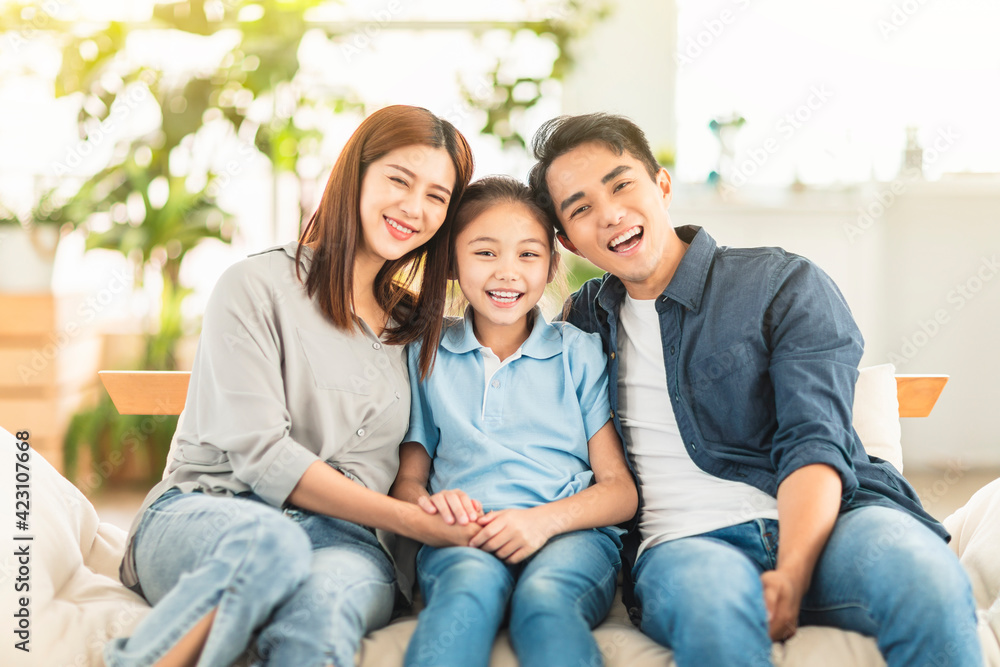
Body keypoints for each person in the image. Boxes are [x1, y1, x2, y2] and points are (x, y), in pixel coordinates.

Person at [526, 113, 982, 667]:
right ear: (567, 240)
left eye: (621, 184)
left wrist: (792, 572)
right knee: (716, 612)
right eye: (580, 209)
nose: (610, 214)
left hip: (838, 521)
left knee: (925, 578)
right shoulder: (583, 322)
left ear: (662, 185)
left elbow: (814, 439)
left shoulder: (779, 283)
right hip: (685, 547)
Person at [105, 105, 477, 667]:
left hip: (348, 545)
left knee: (321, 609)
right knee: (267, 541)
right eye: (398, 180)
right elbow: (262, 456)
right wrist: (407, 521)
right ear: (355, 175)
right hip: (211, 511)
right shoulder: (254, 287)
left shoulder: (420, 333)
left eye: (436, 196)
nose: (413, 207)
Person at [390, 175, 638, 667]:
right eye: (485, 253)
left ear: (550, 266)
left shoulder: (579, 353)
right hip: (465, 538)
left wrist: (539, 523)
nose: (507, 273)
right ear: (453, 264)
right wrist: (434, 508)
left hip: (571, 536)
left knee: (545, 603)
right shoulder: (426, 355)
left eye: (527, 254)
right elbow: (407, 484)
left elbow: (619, 491)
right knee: (465, 595)